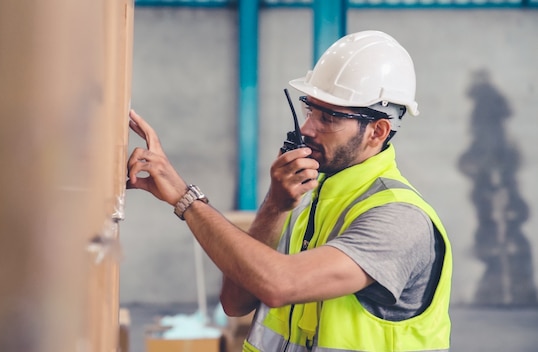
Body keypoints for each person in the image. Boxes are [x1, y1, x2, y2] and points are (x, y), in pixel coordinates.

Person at [127, 30, 452, 352]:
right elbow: (236, 301)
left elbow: (279, 284)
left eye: (329, 118)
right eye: (310, 110)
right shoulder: (313, 203)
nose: (308, 128)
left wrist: (187, 199)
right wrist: (275, 205)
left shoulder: (400, 220)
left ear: (376, 131)